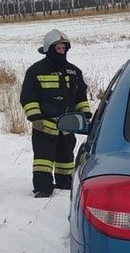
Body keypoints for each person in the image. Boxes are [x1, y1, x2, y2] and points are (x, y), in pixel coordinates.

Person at [20, 29, 92, 197]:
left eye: (63, 48)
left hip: (68, 124)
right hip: (45, 124)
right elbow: (28, 97)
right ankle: (43, 187)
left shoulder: (74, 72)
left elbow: (81, 96)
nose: (61, 52)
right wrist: (35, 117)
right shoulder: (35, 71)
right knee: (43, 159)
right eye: (58, 49)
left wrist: (85, 114)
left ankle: (64, 182)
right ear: (49, 50)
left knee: (66, 156)